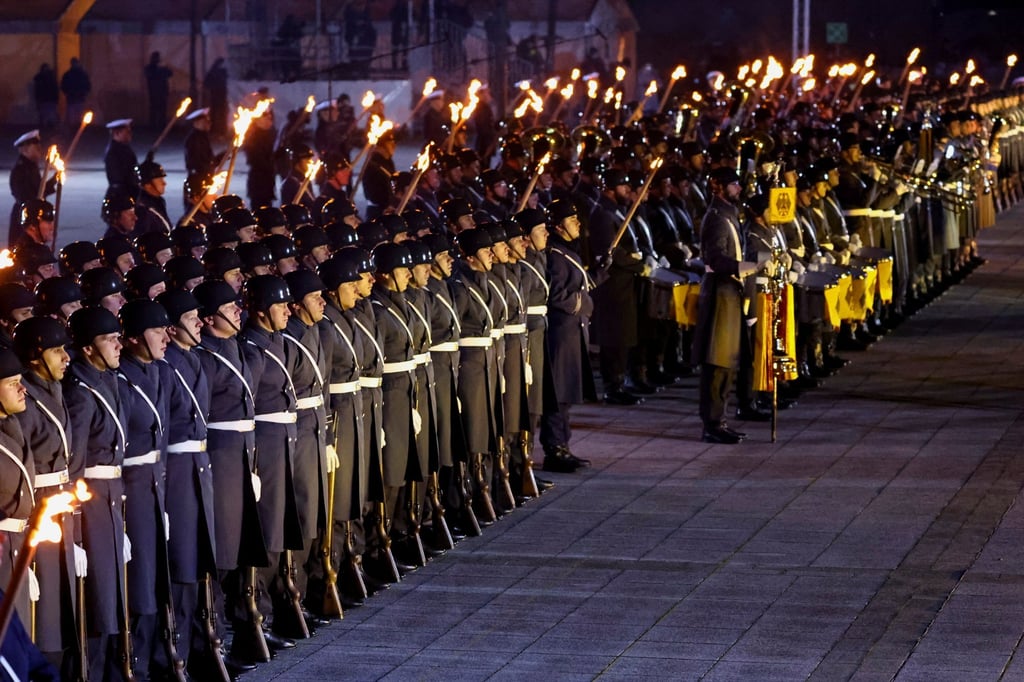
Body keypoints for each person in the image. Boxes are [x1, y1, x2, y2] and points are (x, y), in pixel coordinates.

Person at [12, 317, 81, 676]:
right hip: (37, 513)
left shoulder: (53, 389)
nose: (66, 357)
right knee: (46, 628)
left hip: (59, 511)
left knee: (63, 619)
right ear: (35, 356)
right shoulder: (25, 398)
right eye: (57, 350)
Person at [64, 307, 130, 681]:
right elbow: (73, 468)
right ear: (88, 349)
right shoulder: (82, 393)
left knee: (111, 599)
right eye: (109, 339)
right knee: (98, 601)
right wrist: (74, 535)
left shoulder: (106, 379)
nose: (118, 345)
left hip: (110, 498)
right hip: (90, 507)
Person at [693, 167, 772, 444]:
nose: (739, 189)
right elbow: (716, 259)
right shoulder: (716, 218)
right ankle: (712, 423)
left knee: (727, 362)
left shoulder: (727, 214)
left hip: (731, 293)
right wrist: (750, 267)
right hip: (719, 294)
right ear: (718, 187)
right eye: (734, 185)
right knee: (716, 362)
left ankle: (720, 419)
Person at [539, 199, 592, 472]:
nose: (578, 225)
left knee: (566, 395)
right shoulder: (556, 256)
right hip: (560, 332)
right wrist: (583, 303)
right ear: (559, 226)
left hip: (572, 332)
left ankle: (564, 445)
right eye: (572, 221)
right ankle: (554, 449)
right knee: (557, 395)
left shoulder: (567, 252)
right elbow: (558, 295)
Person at [8, 131, 55, 248]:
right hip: (24, 217)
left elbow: (40, 189)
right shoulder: (20, 169)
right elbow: (25, 195)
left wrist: (55, 180)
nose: (40, 152)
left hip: (33, 215)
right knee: (21, 250)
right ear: (25, 150)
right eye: (36, 148)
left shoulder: (31, 166)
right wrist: (36, 205)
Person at [135, 160, 173, 235]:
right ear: (147, 184)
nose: (164, 183)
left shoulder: (159, 201)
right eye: (160, 180)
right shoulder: (143, 211)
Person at [104, 119, 140, 199]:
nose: (130, 134)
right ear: (117, 133)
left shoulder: (124, 147)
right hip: (121, 195)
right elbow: (118, 177)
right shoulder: (113, 152)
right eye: (127, 132)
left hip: (130, 191)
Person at [60, 57, 91, 133]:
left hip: (72, 98)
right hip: (79, 98)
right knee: (79, 115)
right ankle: (79, 131)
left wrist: (67, 93)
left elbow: (63, 86)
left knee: (72, 117)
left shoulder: (67, 74)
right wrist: (84, 93)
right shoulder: (83, 74)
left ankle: (74, 131)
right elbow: (88, 85)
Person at [144, 51, 173, 130]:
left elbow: (170, 73)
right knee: (156, 110)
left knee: (160, 110)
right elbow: (150, 75)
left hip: (160, 92)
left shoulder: (159, 68)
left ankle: (159, 126)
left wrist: (164, 67)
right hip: (155, 92)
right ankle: (154, 126)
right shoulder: (150, 68)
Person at [202, 58, 229, 138]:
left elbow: (206, 83)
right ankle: (219, 130)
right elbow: (206, 83)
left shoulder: (215, 71)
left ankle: (217, 130)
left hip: (217, 95)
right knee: (219, 114)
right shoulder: (222, 72)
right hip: (218, 95)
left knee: (218, 114)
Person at [32, 64, 60, 131]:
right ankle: (50, 127)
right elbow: (55, 89)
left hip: (45, 99)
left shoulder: (39, 78)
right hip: (49, 99)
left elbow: (37, 90)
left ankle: (46, 128)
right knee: (50, 114)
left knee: (45, 115)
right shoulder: (51, 78)